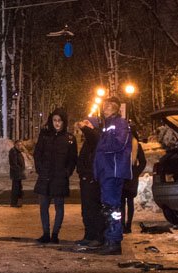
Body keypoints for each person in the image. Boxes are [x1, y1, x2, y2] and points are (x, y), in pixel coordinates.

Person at [88, 97, 133, 255]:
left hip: (113, 170)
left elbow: (119, 143)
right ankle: (110, 239)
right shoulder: (107, 125)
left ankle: (114, 241)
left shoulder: (119, 124)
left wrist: (102, 146)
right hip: (107, 171)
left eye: (108, 106)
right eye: (104, 105)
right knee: (108, 206)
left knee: (112, 207)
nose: (104, 108)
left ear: (115, 108)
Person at [31, 108, 76, 243]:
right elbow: (37, 153)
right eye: (55, 120)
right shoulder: (45, 135)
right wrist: (40, 169)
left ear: (64, 122)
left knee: (59, 207)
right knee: (43, 206)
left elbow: (73, 159)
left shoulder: (69, 139)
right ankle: (46, 233)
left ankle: (55, 234)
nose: (57, 123)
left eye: (59, 121)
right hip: (45, 176)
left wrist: (67, 173)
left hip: (60, 178)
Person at [70, 117, 104, 251]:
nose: (85, 124)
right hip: (85, 178)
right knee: (86, 209)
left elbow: (94, 136)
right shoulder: (89, 140)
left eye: (88, 122)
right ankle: (89, 235)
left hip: (92, 179)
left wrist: (84, 127)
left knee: (94, 209)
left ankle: (98, 237)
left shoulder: (96, 136)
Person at [122, 129, 147, 234]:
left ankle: (126, 225)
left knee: (126, 201)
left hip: (128, 176)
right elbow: (143, 162)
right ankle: (124, 225)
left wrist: (136, 172)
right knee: (124, 201)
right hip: (126, 176)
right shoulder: (129, 145)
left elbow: (143, 162)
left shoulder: (133, 145)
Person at [8, 140, 26, 207]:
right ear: (15, 145)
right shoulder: (13, 152)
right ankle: (14, 203)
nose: (19, 146)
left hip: (19, 174)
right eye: (18, 145)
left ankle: (17, 203)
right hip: (16, 174)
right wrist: (20, 170)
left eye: (20, 145)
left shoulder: (18, 152)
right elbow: (13, 164)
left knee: (19, 188)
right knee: (16, 189)